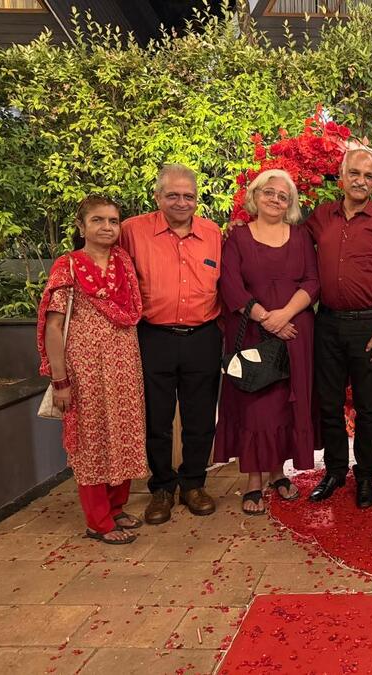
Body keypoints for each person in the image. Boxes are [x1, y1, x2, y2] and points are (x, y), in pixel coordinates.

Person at [37, 195, 147, 544]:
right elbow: (53, 327)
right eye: (98, 220)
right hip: (84, 369)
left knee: (124, 434)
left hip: (124, 365)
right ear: (81, 226)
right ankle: (98, 521)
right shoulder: (68, 266)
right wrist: (60, 380)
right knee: (92, 441)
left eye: (113, 221)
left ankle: (116, 507)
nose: (107, 227)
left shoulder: (124, 263)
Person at [121, 164, 223, 525]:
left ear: (197, 199)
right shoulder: (131, 231)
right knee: (156, 419)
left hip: (203, 337)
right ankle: (162, 488)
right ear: (158, 197)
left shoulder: (214, 233)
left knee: (200, 419)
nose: (182, 202)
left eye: (189, 196)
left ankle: (194, 483)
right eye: (173, 195)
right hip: (154, 337)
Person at [214, 169, 320, 514]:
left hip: (294, 334)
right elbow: (230, 286)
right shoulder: (238, 239)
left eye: (283, 195)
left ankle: (278, 474)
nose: (275, 199)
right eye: (269, 192)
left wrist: (284, 315)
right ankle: (253, 481)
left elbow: (313, 281)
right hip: (252, 334)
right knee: (255, 407)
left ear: (290, 203)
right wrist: (267, 319)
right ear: (255, 196)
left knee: (285, 405)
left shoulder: (302, 237)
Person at [307, 149, 372, 509]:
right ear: (342, 175)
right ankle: (335, 471)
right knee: (329, 404)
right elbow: (285, 242)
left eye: (368, 175)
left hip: (368, 327)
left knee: (367, 408)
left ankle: (366, 475)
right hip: (327, 323)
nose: (361, 180)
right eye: (355, 173)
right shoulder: (319, 218)